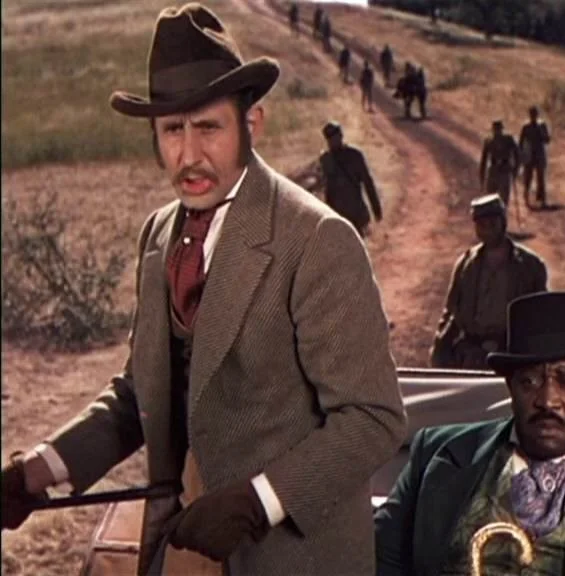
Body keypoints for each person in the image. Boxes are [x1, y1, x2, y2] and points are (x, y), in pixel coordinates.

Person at [1, 4, 407, 576]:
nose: (188, 155)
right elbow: (141, 393)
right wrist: (34, 471)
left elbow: (373, 417)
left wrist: (257, 502)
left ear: (252, 124)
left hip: (291, 558)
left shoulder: (317, 239)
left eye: (208, 128)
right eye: (173, 130)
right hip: (181, 545)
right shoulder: (159, 234)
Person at [376, 290, 565, 576]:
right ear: (510, 385)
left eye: (564, 380)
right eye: (529, 380)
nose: (548, 400)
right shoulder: (436, 453)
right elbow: (379, 562)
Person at [429, 193, 547, 370]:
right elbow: (451, 313)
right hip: (472, 355)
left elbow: (540, 317)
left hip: (512, 355)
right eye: (481, 225)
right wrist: (439, 351)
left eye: (492, 223)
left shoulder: (530, 266)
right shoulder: (466, 265)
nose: (487, 230)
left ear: (503, 222)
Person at [313, 121, 383, 237]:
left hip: (355, 214)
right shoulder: (325, 160)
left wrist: (376, 208)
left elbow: (368, 183)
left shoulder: (354, 156)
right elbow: (321, 187)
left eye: (334, 136)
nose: (333, 140)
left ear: (340, 136)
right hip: (336, 215)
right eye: (330, 138)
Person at [479, 120, 521, 206]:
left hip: (505, 170)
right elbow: (484, 159)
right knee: (490, 198)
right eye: (495, 129)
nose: (497, 131)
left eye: (499, 129)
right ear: (493, 130)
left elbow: (517, 155)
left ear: (502, 130)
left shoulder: (508, 140)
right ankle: (492, 213)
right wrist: (482, 175)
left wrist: (515, 169)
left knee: (504, 198)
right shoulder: (489, 141)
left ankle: (503, 213)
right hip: (493, 170)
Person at [519, 105, 551, 209]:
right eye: (532, 114)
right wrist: (521, 154)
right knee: (527, 177)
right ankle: (526, 199)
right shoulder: (526, 126)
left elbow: (547, 140)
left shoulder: (542, 125)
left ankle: (542, 200)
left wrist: (542, 133)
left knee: (541, 178)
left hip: (539, 154)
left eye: (535, 114)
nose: (533, 116)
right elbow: (521, 141)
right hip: (529, 154)